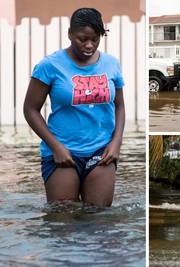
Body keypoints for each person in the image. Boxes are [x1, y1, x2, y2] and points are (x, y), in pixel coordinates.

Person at [23, 8, 125, 207]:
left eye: (95, 39)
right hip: (62, 152)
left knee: (99, 220)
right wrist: (56, 147)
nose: (89, 45)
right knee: (63, 221)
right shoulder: (49, 65)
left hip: (101, 151)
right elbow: (30, 109)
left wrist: (116, 142)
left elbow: (119, 106)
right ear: (69, 34)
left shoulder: (111, 64)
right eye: (82, 39)